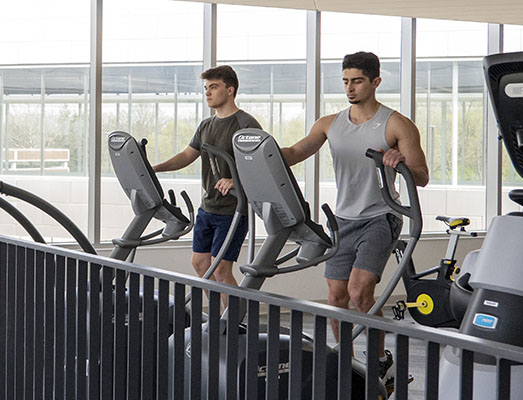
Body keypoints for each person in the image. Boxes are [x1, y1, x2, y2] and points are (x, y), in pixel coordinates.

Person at [278, 51, 430, 390]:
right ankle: (347, 365)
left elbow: (421, 176)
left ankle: (378, 365)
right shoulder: (329, 123)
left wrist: (400, 161)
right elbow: (294, 154)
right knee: (336, 297)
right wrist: (258, 149)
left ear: (375, 82)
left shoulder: (396, 124)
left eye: (357, 81)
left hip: (381, 216)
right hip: (343, 219)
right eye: (346, 81)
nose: (350, 87)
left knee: (361, 293)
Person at [153, 65, 261, 297]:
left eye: (214, 87)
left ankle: (232, 324)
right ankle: (216, 324)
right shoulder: (206, 125)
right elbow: (186, 156)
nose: (208, 93)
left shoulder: (246, 124)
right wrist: (154, 169)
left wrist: (235, 180)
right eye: (206, 88)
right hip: (208, 207)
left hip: (233, 210)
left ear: (230, 90)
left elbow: (261, 164)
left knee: (221, 269)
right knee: (201, 264)